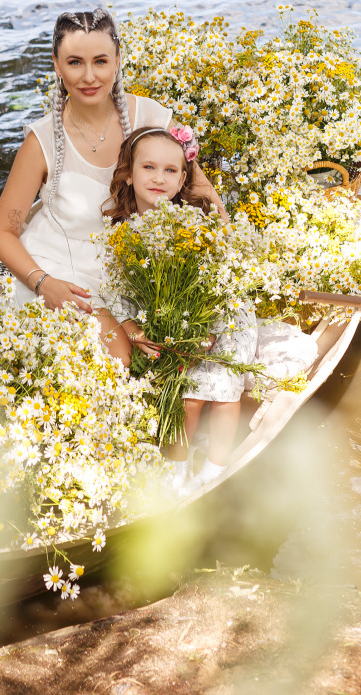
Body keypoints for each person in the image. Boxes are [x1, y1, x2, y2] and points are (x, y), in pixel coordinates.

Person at [0, 8, 224, 365]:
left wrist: (215, 263)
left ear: (117, 61)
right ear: (56, 64)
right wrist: (43, 283)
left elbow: (206, 196)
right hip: (66, 270)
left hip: (140, 267)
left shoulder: (153, 119)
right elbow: (2, 230)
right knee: (121, 356)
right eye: (74, 62)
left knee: (186, 349)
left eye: (100, 61)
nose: (88, 76)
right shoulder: (42, 142)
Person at [100, 126, 256, 493]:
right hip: (173, 320)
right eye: (148, 168)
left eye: (170, 171)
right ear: (128, 173)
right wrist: (133, 332)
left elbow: (223, 282)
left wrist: (209, 333)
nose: (159, 178)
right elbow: (114, 289)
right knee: (184, 395)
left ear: (183, 177)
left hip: (222, 316)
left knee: (219, 387)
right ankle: (177, 465)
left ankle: (216, 465)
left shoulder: (198, 223)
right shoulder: (121, 230)